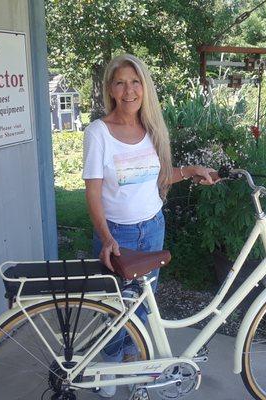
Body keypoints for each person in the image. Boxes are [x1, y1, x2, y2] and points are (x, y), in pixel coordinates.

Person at [82, 54, 216, 397]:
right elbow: (93, 194)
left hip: (153, 228)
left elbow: (153, 179)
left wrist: (188, 171)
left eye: (135, 82)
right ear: (111, 89)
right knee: (116, 309)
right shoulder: (98, 133)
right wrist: (107, 238)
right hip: (120, 234)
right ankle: (109, 370)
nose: (129, 90)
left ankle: (136, 363)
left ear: (144, 87)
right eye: (121, 83)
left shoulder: (151, 128)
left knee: (143, 305)